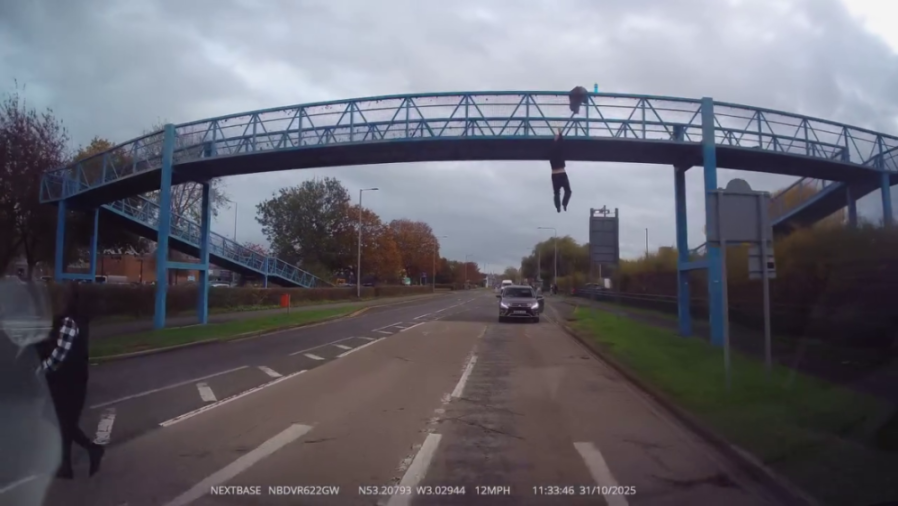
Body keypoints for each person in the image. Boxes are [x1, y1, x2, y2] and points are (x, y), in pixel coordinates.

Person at [35, 283, 104, 479]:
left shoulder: (69, 322)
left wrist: (42, 369)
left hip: (64, 381)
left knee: (59, 422)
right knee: (64, 423)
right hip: (77, 379)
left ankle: (90, 450)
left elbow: (60, 354)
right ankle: (66, 465)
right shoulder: (82, 320)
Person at [549, 126, 572, 213]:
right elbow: (561, 144)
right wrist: (560, 133)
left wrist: (555, 139)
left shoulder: (550, 153)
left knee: (556, 193)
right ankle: (564, 204)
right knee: (568, 191)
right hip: (562, 173)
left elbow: (555, 145)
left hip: (554, 174)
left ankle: (558, 207)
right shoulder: (560, 151)